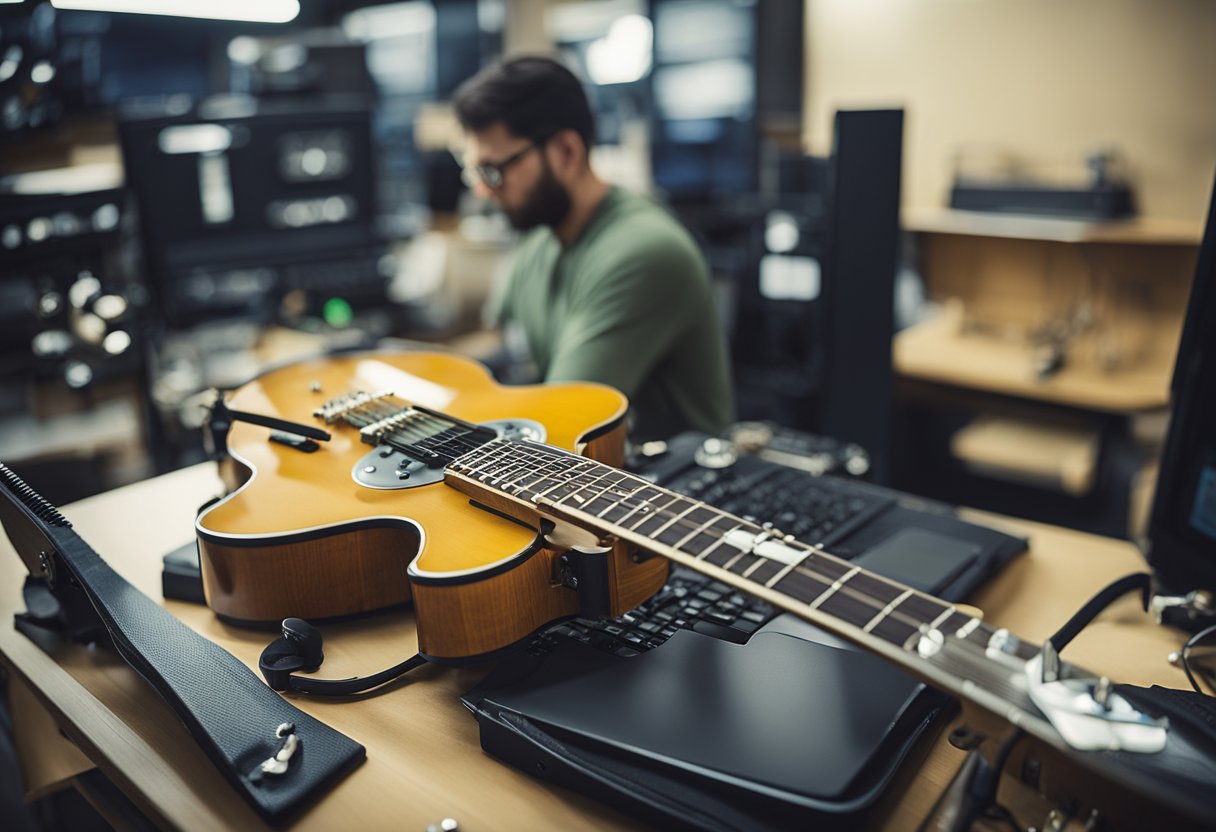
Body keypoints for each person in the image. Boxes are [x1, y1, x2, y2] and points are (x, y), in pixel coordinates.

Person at [451, 55, 733, 442]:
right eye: (476, 172)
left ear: (566, 152)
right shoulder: (540, 233)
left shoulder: (643, 252)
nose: (484, 190)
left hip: (656, 474)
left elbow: (563, 418)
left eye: (494, 171)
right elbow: (500, 339)